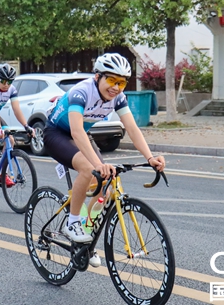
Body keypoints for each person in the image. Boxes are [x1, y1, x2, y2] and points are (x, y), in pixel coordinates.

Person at [43, 53, 166, 267]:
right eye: (111, 80)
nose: (116, 87)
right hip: (57, 134)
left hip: (79, 135)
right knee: (89, 169)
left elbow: (133, 129)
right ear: (97, 76)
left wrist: (150, 157)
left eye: (121, 82)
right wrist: (98, 165)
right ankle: (72, 223)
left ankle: (85, 242)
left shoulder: (118, 98)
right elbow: (77, 131)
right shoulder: (81, 92)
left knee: (105, 189)